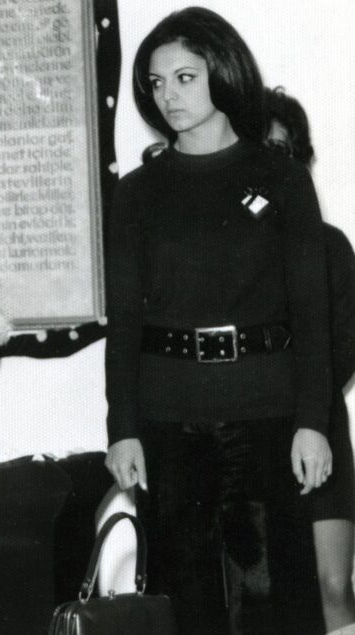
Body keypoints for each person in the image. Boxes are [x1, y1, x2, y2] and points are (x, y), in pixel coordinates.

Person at [104, 8, 329, 634]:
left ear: (223, 74)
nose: (168, 96)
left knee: (271, 598)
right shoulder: (136, 192)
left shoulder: (281, 177)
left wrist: (312, 422)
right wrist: (123, 428)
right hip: (169, 419)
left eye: (185, 78)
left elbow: (312, 314)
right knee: (189, 600)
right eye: (157, 83)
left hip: (266, 414)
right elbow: (123, 323)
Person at [265, 86, 355, 635]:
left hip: (319, 427)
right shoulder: (232, 248)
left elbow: (344, 346)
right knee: (272, 595)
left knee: (333, 588)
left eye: (282, 150)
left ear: (300, 157)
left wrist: (304, 413)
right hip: (254, 437)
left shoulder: (330, 245)